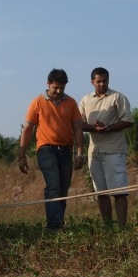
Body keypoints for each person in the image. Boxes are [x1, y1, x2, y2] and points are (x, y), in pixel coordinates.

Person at [18, 68, 85, 230]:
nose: (59, 91)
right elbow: (28, 129)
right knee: (53, 185)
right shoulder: (38, 102)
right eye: (56, 88)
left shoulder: (71, 103)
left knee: (63, 187)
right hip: (46, 150)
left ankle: (58, 222)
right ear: (48, 84)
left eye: (62, 88)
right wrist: (22, 155)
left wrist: (80, 153)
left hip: (66, 150)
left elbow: (77, 128)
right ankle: (53, 225)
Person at [79, 67, 133, 227]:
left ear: (108, 80)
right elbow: (79, 124)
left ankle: (122, 228)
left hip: (114, 151)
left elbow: (128, 120)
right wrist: (94, 128)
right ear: (92, 82)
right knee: (101, 192)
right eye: (98, 81)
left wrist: (108, 127)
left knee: (119, 192)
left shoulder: (117, 97)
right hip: (94, 152)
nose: (101, 84)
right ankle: (108, 227)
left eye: (104, 81)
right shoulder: (85, 100)